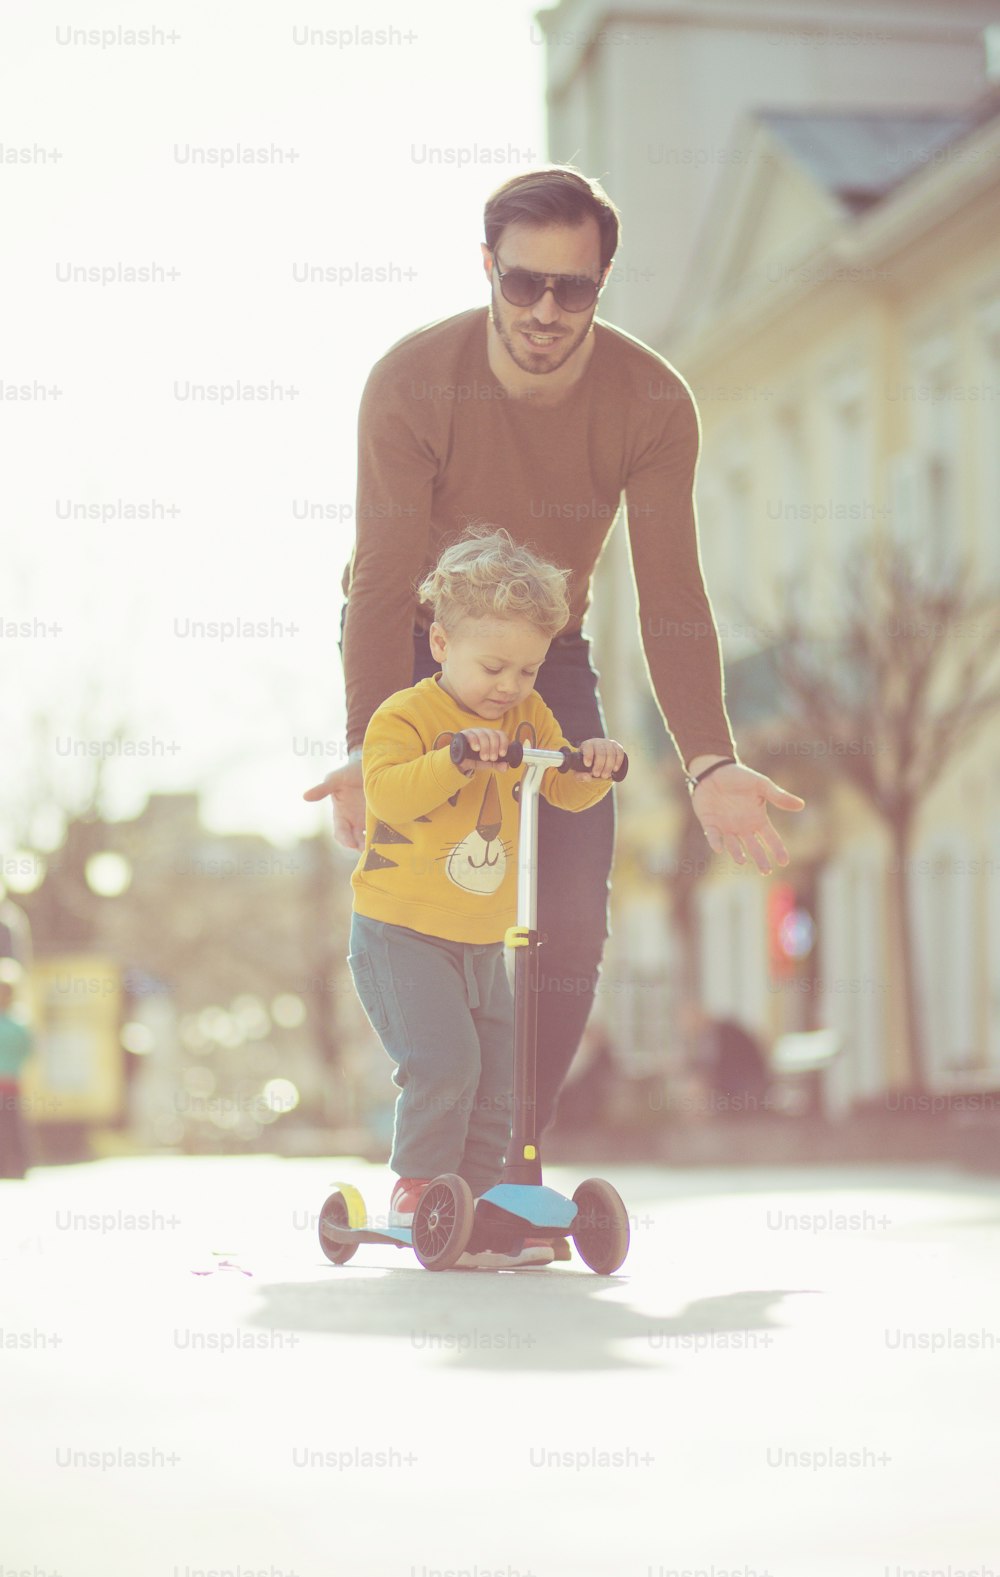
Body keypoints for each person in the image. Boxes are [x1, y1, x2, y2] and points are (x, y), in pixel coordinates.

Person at [305, 164, 804, 1137]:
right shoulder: (412, 382)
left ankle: (507, 1150)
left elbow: (668, 591)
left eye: (569, 287)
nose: (542, 309)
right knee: (434, 887)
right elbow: (378, 581)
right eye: (520, 281)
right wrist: (372, 743)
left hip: (546, 651)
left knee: (572, 905)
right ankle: (434, 1131)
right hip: (418, 639)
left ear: (601, 282)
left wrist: (707, 757)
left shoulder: (651, 401)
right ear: (486, 267)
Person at [347, 525, 624, 1268]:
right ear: (441, 645)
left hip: (480, 937)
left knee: (502, 1070)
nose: (510, 686)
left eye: (529, 670)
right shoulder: (407, 717)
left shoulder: (528, 718)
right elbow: (389, 794)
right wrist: (457, 758)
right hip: (399, 931)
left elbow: (559, 785)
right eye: (494, 665)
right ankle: (417, 1189)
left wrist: (590, 763)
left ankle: (475, 1204)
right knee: (445, 1061)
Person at [0, 969, 34, 1180]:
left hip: (10, 1083)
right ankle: (16, 1165)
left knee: (12, 1125)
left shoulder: (17, 1024)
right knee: (12, 1125)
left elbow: (27, 1050)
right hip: (12, 1082)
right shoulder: (20, 1024)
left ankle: (16, 1164)